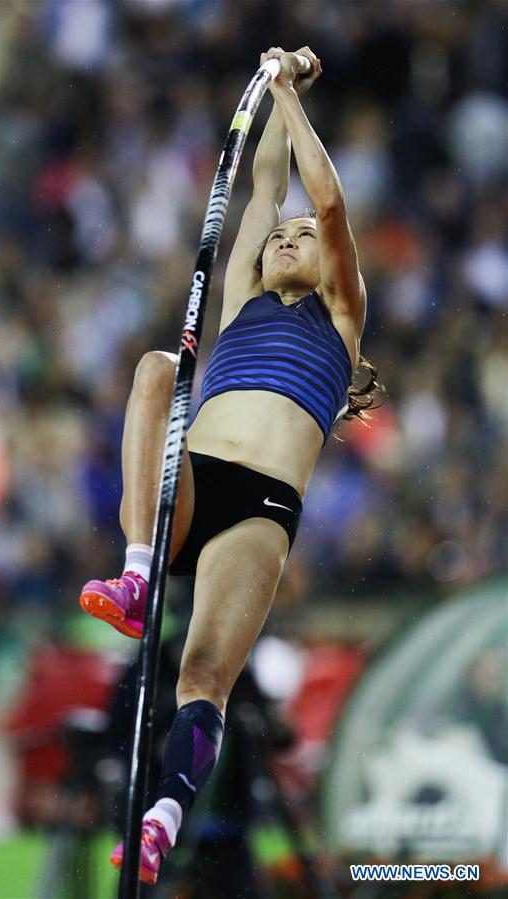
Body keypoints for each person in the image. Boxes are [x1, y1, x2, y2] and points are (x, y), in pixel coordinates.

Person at [79, 45, 382, 885]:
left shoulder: (342, 318)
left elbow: (324, 202)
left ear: (325, 262)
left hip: (259, 514)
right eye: (275, 239)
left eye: (296, 239)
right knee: (153, 370)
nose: (284, 238)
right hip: (193, 482)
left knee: (203, 675)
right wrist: (272, 86)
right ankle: (137, 571)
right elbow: (270, 185)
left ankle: (162, 818)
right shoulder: (244, 301)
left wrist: (287, 96)